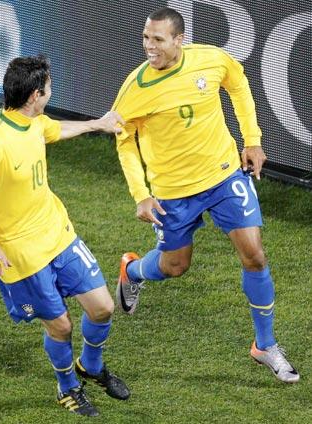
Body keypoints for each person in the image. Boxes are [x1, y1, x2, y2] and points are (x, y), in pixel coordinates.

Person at [113, 7, 299, 384]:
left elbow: (238, 81)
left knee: (255, 254)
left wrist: (252, 139)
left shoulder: (210, 59)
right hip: (173, 193)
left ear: (179, 40)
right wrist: (141, 195)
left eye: (158, 40)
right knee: (174, 267)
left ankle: (264, 345)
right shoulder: (135, 87)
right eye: (146, 38)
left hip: (223, 176)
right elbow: (124, 141)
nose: (150, 47)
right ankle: (131, 270)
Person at [0, 55, 130, 417]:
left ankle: (91, 366)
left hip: (57, 233)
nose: (51, 92)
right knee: (62, 326)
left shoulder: (33, 121)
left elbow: (54, 130)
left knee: (103, 307)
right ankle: (67, 387)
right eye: (49, 87)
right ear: (36, 95)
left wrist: (97, 124)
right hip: (20, 254)